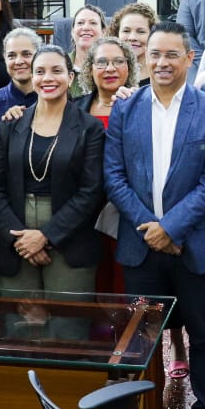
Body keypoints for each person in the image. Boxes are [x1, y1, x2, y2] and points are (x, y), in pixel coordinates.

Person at [104, 22, 205, 409]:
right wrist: (152, 230)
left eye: (171, 54)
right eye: (154, 54)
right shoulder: (127, 107)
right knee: (140, 342)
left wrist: (172, 228)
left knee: (204, 335)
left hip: (194, 247)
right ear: (145, 58)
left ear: (189, 57)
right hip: (141, 248)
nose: (161, 62)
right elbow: (114, 176)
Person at [0, 46, 106, 335]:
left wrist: (46, 236)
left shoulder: (89, 128)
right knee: (22, 325)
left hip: (70, 234)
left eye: (56, 71)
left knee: (69, 327)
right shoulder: (10, 126)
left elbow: (92, 191)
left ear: (71, 76)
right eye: (40, 71)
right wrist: (20, 238)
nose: (47, 78)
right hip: (16, 234)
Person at [81, 36, 135, 299]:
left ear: (129, 67)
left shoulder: (141, 103)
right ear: (90, 68)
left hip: (124, 213)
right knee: (91, 283)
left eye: (118, 61)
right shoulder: (74, 107)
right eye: (102, 62)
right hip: (83, 214)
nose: (110, 68)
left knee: (122, 285)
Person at [0, 27, 41, 121]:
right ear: (4, 59)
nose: (18, 61)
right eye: (11, 56)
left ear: (39, 56)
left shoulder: (54, 100)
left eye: (26, 54)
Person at [108, 1, 156, 72]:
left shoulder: (160, 75)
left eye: (141, 32)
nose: (132, 38)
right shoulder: (108, 72)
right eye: (126, 31)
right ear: (116, 33)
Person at [67, 4, 107, 87]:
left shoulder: (112, 68)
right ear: (72, 32)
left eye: (93, 23)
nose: (86, 27)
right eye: (80, 23)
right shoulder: (61, 65)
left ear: (103, 32)